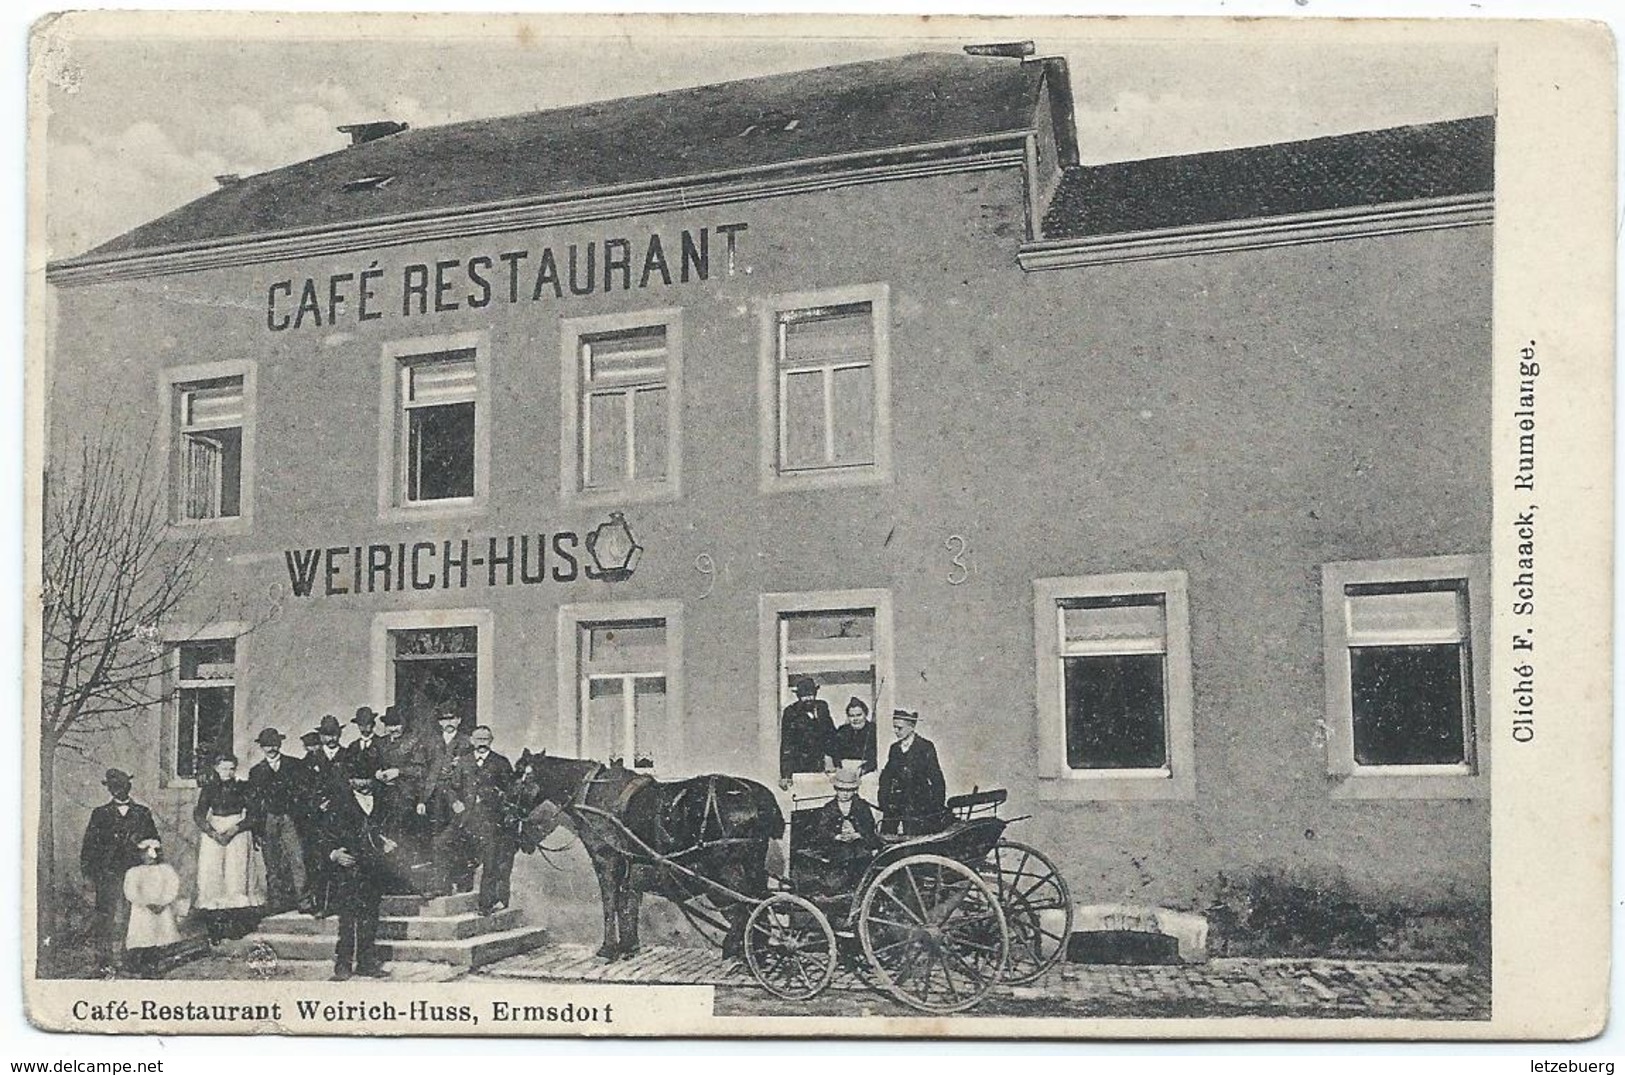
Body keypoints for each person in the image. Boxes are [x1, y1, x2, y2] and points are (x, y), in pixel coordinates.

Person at [314, 756, 399, 980]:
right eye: (356, 779)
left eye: (365, 779)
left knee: (370, 915)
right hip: (349, 868)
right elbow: (322, 836)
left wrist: (389, 843)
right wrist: (334, 854)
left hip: (373, 867)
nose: (361, 783)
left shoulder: (382, 799)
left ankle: (367, 963)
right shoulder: (339, 803)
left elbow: (387, 829)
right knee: (348, 917)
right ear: (349, 781)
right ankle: (342, 965)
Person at [79, 769, 158, 974]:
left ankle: (135, 958)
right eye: (114, 786)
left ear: (129, 787)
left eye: (122, 785)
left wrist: (151, 862)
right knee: (106, 916)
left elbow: (155, 841)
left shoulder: (142, 812)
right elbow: (89, 846)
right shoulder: (100, 814)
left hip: (135, 871)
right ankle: (104, 960)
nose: (118, 790)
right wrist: (88, 874)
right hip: (108, 872)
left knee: (137, 915)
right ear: (109, 789)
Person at [192, 754, 267, 943]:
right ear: (216, 769)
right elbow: (199, 814)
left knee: (236, 873)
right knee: (213, 873)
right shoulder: (209, 789)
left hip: (237, 829)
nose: (228, 772)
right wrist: (212, 832)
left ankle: (236, 926)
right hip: (215, 828)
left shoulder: (242, 787)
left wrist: (235, 829)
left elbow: (253, 814)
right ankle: (216, 928)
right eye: (224, 768)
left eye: (231, 768)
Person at [246, 727, 310, 914]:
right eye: (267, 745)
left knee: (297, 857)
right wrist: (256, 829)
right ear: (262, 747)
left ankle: (303, 899)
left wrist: (299, 817)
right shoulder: (256, 771)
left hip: (290, 818)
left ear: (280, 744)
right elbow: (254, 802)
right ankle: (277, 900)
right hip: (268, 819)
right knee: (272, 861)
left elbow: (303, 794)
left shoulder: (295, 765)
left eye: (274, 744)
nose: (271, 748)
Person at [456, 726, 516, 915]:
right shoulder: (464, 762)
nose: (481, 742)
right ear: (472, 741)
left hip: (491, 821)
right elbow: (451, 786)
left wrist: (495, 799)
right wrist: (455, 802)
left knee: (490, 862)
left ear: (491, 740)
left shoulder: (501, 763)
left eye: (485, 739)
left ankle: (485, 904)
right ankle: (456, 890)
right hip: (466, 820)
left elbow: (511, 792)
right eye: (478, 739)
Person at [801, 765, 882, 897]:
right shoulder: (829, 808)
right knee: (842, 860)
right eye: (841, 790)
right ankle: (842, 891)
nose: (845, 793)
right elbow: (822, 830)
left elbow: (869, 826)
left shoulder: (861, 806)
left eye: (849, 790)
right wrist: (836, 836)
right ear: (836, 789)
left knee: (863, 858)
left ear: (854, 790)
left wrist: (858, 834)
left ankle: (861, 890)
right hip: (837, 847)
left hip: (859, 845)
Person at [377, 707, 430, 893]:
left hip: (405, 798)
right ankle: (387, 883)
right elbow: (372, 763)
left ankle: (406, 884)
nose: (393, 729)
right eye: (390, 725)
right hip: (382, 798)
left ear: (404, 724)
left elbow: (421, 770)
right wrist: (377, 773)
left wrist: (398, 772)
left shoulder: (414, 742)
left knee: (403, 839)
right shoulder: (380, 743)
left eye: (397, 725)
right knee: (384, 838)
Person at [422, 705, 473, 896]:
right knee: (436, 838)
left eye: (452, 718)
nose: (448, 723)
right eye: (444, 719)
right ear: (439, 722)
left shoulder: (467, 742)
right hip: (435, 797)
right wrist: (422, 799)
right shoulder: (431, 742)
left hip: (458, 797)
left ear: (459, 721)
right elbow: (424, 771)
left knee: (459, 836)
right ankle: (440, 885)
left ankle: (462, 879)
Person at [878, 708, 948, 837]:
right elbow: (887, 776)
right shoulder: (894, 748)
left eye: (899, 728)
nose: (895, 731)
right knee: (888, 837)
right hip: (896, 803)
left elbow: (937, 778)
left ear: (911, 727)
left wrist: (937, 806)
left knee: (916, 839)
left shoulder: (925, 747)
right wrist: (883, 799)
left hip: (919, 804)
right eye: (894, 727)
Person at [121, 837, 182, 978]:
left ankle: (155, 963)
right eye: (146, 854)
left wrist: (164, 902)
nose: (150, 857)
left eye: (154, 854)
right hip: (143, 910)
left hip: (162, 908)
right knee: (143, 936)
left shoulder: (166, 870)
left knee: (160, 936)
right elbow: (131, 891)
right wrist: (146, 903)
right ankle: (142, 966)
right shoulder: (134, 872)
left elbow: (172, 886)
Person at [778, 676, 835, 791]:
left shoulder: (822, 707)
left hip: (823, 765)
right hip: (801, 765)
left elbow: (831, 735)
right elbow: (787, 745)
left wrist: (835, 762)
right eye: (804, 696)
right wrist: (786, 775)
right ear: (798, 696)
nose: (808, 698)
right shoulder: (791, 713)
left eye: (810, 694)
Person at [830, 697, 879, 776]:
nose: (855, 719)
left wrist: (863, 769)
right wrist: (838, 767)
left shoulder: (873, 730)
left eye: (859, 715)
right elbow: (836, 753)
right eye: (851, 716)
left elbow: (876, 757)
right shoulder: (842, 731)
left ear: (865, 714)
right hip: (845, 771)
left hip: (867, 772)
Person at [341, 706, 384, 785]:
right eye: (361, 725)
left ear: (373, 724)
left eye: (367, 724)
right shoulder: (353, 746)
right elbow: (347, 768)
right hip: (357, 788)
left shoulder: (381, 743)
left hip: (376, 788)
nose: (364, 728)